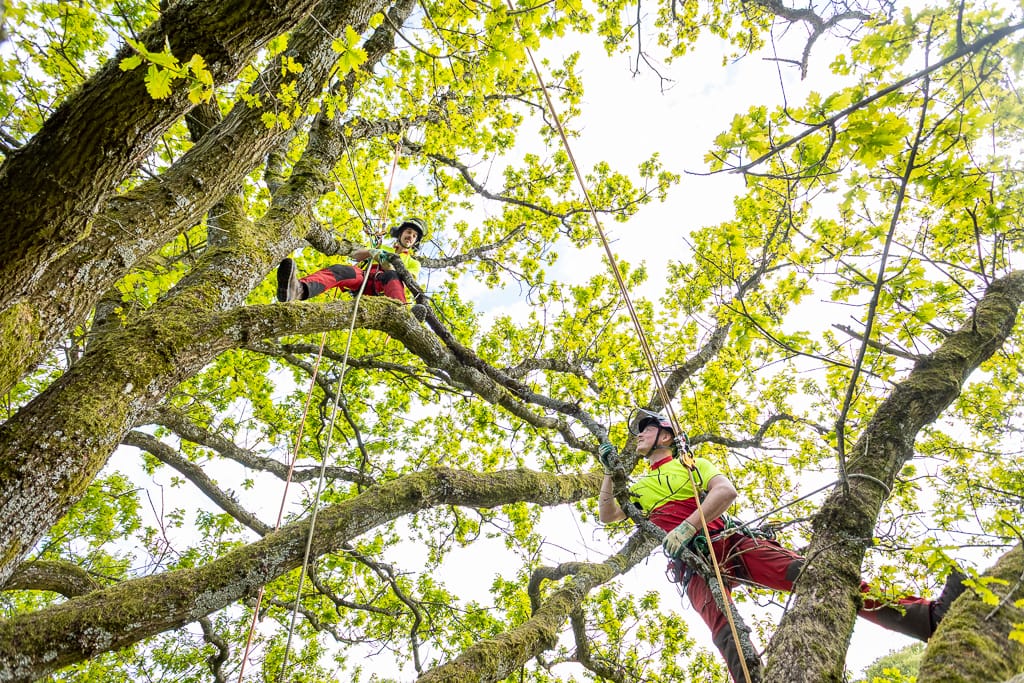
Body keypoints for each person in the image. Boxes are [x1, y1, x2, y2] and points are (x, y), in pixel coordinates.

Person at [597, 408, 967, 682]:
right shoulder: (640, 487)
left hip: (727, 540)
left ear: (664, 435)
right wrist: (610, 473)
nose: (638, 435)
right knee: (724, 628)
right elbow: (608, 514)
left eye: (645, 428)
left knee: (815, 576)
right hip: (691, 563)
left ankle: (927, 618)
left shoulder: (693, 465)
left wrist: (687, 526)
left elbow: (725, 492)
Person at [276, 217, 425, 304]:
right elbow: (357, 256)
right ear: (401, 233)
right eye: (408, 232)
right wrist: (371, 251)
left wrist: (389, 267)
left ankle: (400, 310)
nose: (410, 236)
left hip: (386, 286)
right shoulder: (383, 247)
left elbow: (409, 280)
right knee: (341, 270)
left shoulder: (413, 262)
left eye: (414, 236)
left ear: (415, 242)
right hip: (365, 279)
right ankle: (298, 289)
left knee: (392, 276)